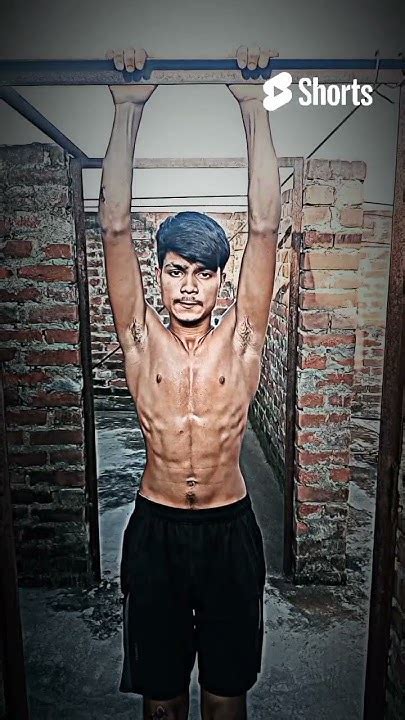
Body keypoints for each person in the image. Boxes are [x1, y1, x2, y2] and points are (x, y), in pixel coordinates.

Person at [99, 45, 281, 720]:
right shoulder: (140, 341)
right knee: (163, 703)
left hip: (230, 532)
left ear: (221, 281)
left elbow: (264, 225)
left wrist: (253, 104)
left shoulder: (243, 340)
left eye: (203, 273)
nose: (188, 286)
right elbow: (115, 225)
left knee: (226, 701)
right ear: (160, 274)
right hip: (157, 532)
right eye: (176, 271)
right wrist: (127, 108)